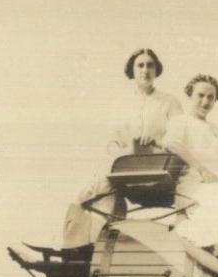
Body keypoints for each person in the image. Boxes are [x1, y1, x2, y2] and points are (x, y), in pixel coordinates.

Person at [62, 48, 182, 250]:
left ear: (157, 70)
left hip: (159, 171)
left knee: (95, 187)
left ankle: (85, 245)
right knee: (87, 193)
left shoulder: (170, 102)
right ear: (132, 70)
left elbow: (181, 138)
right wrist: (123, 149)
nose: (145, 70)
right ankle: (78, 245)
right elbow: (111, 141)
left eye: (150, 65)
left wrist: (157, 141)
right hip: (125, 169)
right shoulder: (121, 104)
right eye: (140, 65)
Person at [160, 74, 218, 255]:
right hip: (192, 187)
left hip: (215, 186)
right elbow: (171, 143)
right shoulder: (181, 121)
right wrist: (202, 169)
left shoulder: (214, 128)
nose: (205, 101)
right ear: (190, 95)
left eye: (210, 97)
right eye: (201, 95)